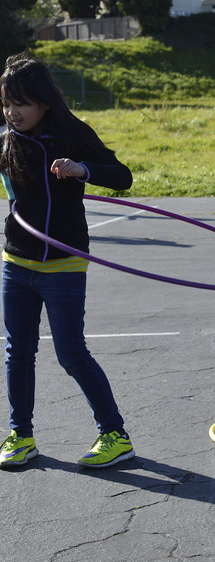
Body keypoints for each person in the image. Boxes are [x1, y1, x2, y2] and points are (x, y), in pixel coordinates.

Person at [0, 54, 135, 469]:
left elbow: (122, 176)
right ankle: (21, 436)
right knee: (17, 352)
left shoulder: (72, 133)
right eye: (6, 103)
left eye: (21, 103)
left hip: (63, 263)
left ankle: (114, 435)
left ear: (43, 101)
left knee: (71, 353)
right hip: (17, 262)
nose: (12, 112)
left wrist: (82, 169)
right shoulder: (6, 141)